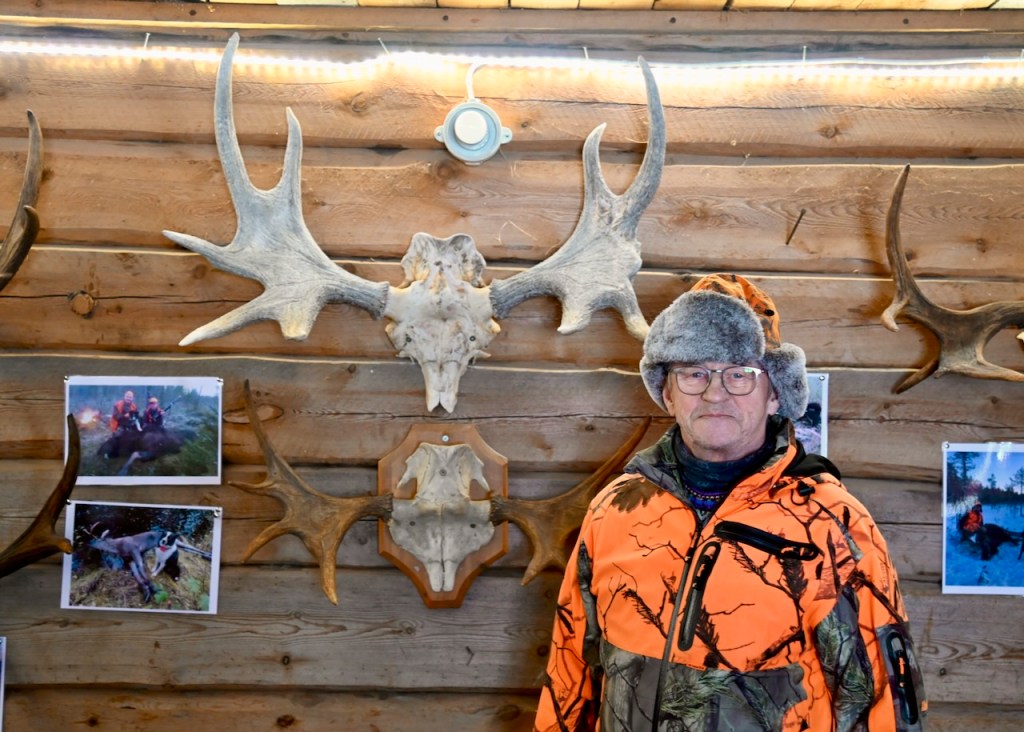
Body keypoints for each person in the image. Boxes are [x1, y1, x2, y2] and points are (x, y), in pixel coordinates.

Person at [534, 273, 926, 732]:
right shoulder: (614, 511)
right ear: (667, 391)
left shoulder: (832, 523)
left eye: (740, 374)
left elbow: (884, 701)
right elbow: (570, 673)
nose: (714, 392)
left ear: (775, 393)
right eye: (694, 373)